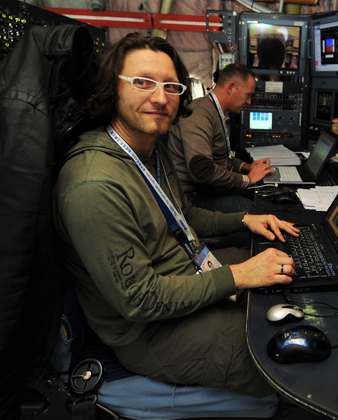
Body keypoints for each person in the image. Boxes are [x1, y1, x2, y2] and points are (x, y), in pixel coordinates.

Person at [53, 33, 299, 399]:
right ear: (112, 89)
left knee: (292, 270)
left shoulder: (152, 149)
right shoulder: (93, 184)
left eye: (170, 86)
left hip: (188, 272)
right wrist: (238, 276)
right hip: (150, 331)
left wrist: (243, 221)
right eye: (142, 82)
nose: (160, 97)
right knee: (286, 361)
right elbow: (140, 299)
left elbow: (184, 217)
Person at [168, 63, 275, 214]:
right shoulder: (199, 114)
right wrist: (247, 179)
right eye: (248, 95)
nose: (249, 102)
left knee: (267, 196)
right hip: (192, 198)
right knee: (259, 211)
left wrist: (247, 167)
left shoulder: (218, 113)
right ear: (231, 87)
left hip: (209, 190)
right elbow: (201, 170)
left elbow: (221, 159)